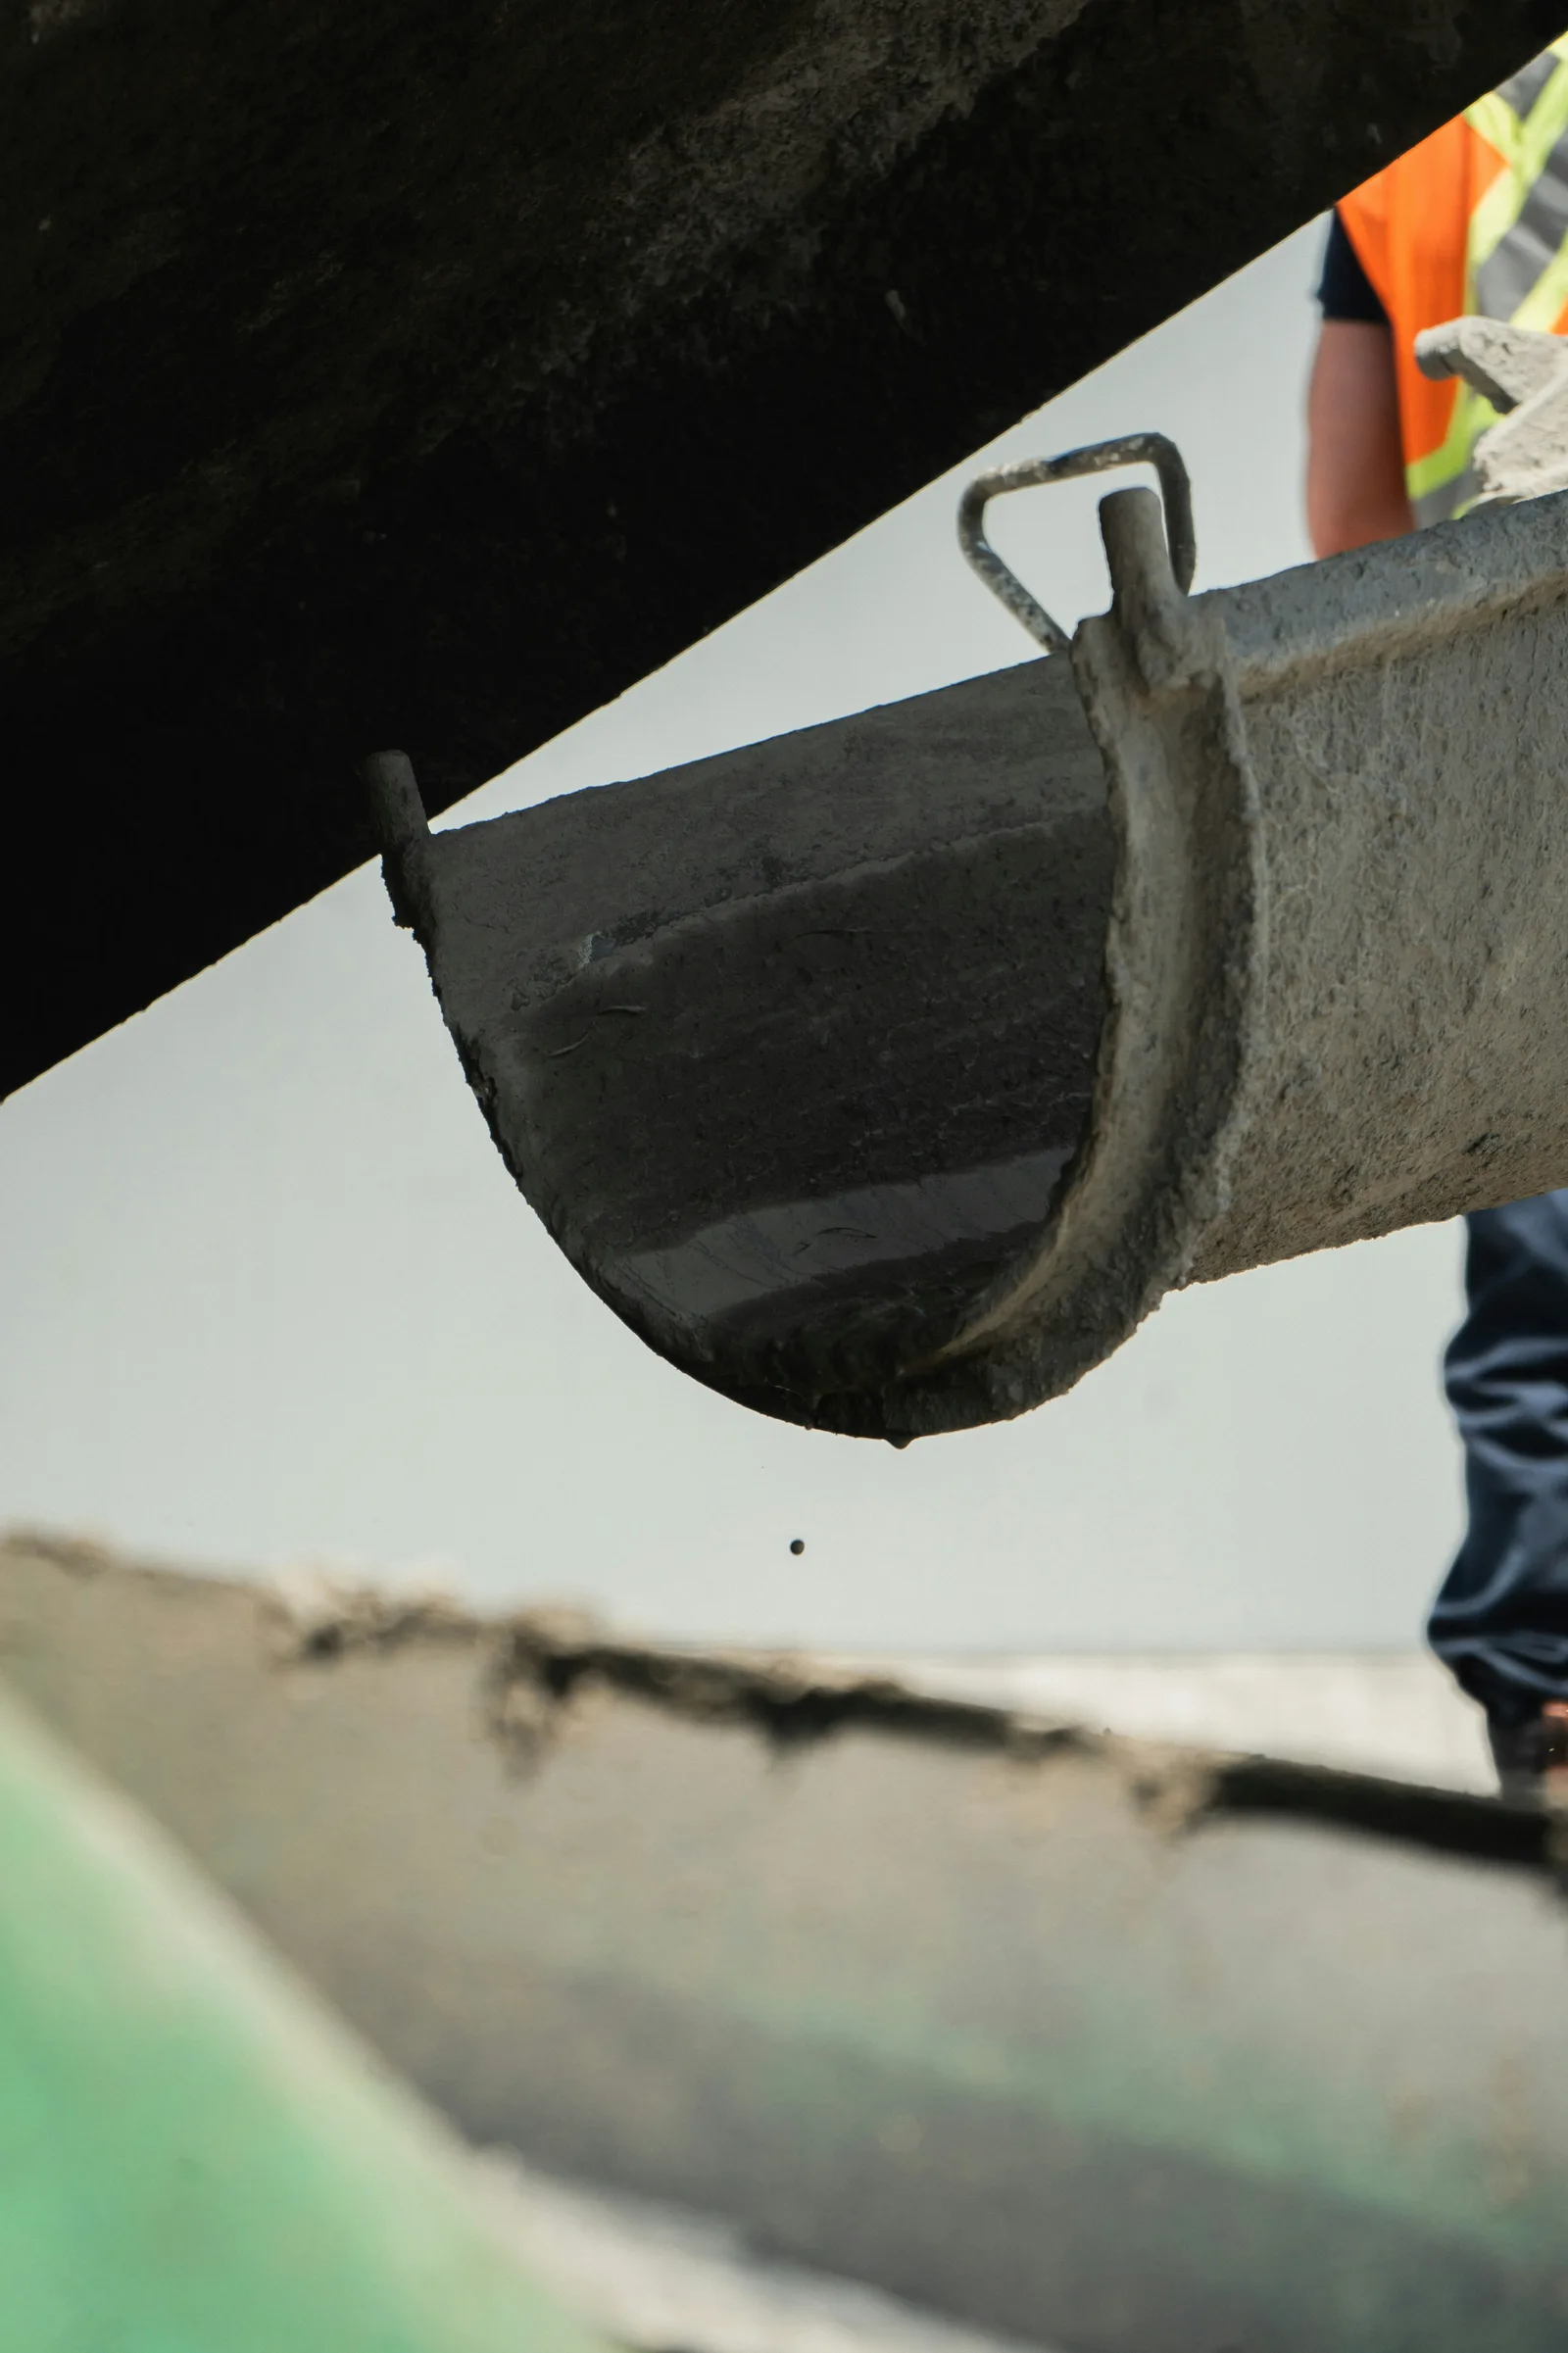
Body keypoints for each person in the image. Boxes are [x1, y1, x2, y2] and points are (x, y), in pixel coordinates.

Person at [1306, 34, 1568, 1793]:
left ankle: (1552, 1707)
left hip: (1508, 754)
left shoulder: (1405, 129)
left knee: (1547, 1246)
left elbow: (1347, 520)